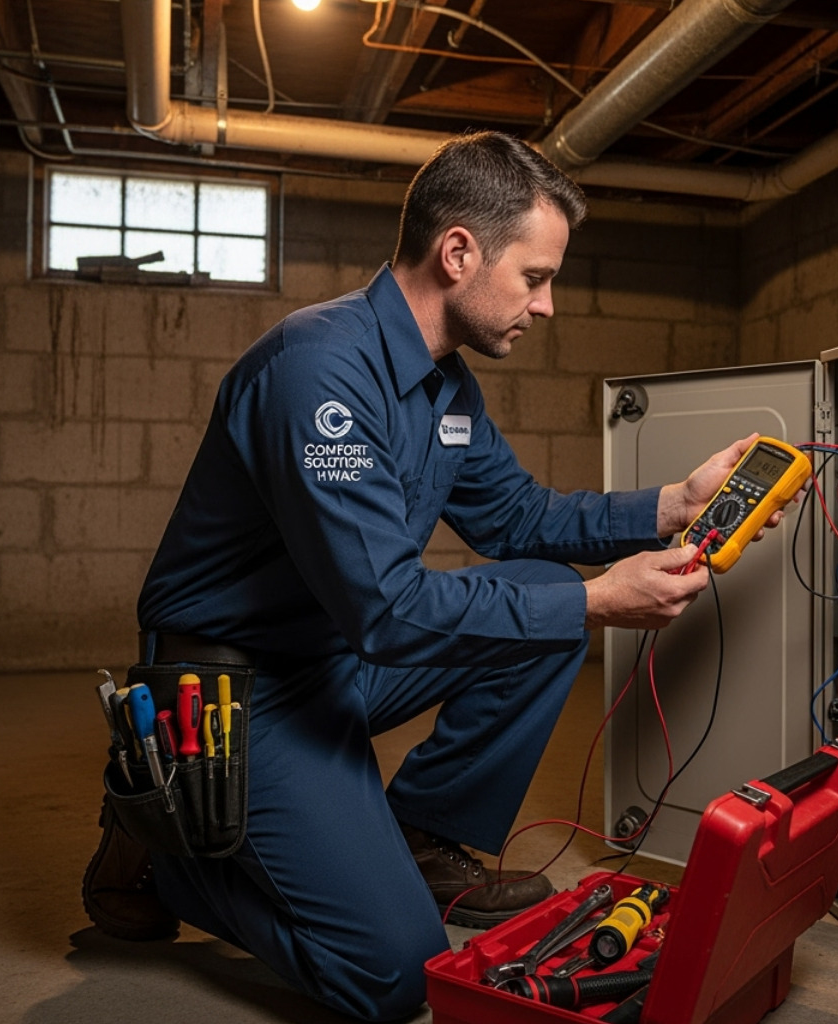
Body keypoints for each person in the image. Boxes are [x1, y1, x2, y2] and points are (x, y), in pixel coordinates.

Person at [82, 130, 787, 1021]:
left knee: (540, 592)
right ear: (459, 252)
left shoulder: (448, 389)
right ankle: (175, 851)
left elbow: (520, 520)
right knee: (392, 973)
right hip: (236, 689)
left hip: (334, 657)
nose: (549, 305)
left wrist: (670, 506)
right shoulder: (320, 373)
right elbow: (386, 608)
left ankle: (422, 836)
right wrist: (597, 600)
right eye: (535, 277)